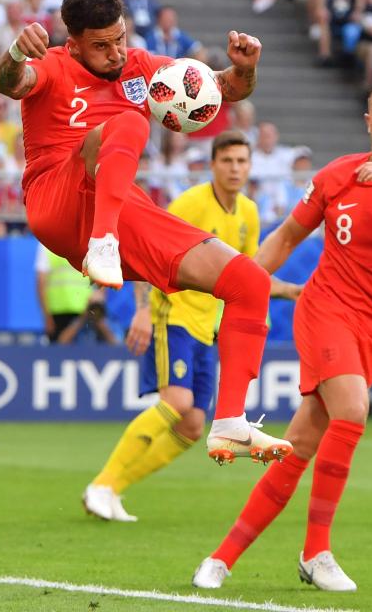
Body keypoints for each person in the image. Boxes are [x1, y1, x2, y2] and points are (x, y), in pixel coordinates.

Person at [191, 78, 372, 591]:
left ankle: (222, 556)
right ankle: (316, 552)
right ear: (367, 120)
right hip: (325, 309)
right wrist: (242, 285)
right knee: (353, 411)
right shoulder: (336, 176)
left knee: (300, 443)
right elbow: (286, 237)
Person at [0, 0, 291, 464]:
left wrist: (244, 69)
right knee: (129, 123)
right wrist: (12, 52)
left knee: (248, 282)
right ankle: (102, 242)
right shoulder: (53, 64)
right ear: (74, 44)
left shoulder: (140, 67)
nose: (116, 53)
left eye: (120, 39)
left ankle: (230, 422)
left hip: (121, 205)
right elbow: (11, 83)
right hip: (57, 200)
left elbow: (221, 89)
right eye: (101, 45)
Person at [82, 131, 304, 522]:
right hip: (174, 312)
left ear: (251, 167)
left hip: (207, 325)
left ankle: (113, 490)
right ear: (212, 165)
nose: (235, 169)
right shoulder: (190, 203)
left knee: (192, 427)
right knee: (178, 402)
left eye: (241, 162)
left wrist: (293, 291)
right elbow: (146, 246)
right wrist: (142, 311)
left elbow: (249, 276)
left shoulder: (248, 214)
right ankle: (101, 483)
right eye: (227, 161)